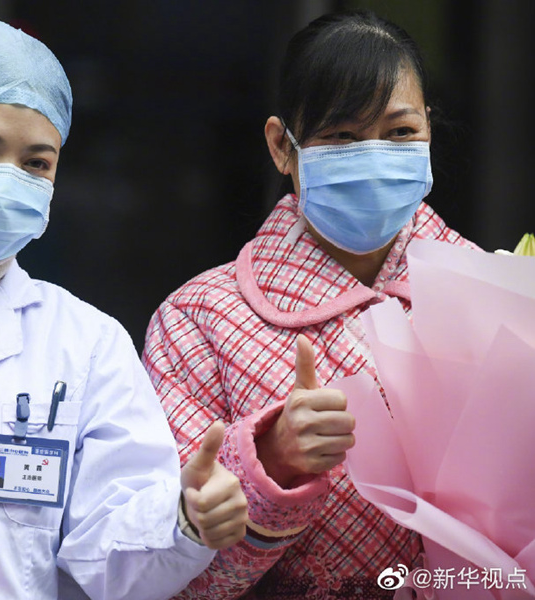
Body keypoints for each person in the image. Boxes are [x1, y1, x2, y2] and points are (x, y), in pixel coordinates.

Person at [0, 16, 248, 600]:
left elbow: (109, 557)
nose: (7, 180)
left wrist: (182, 521)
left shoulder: (86, 344)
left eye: (36, 164)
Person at [142, 10, 479, 599]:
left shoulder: (492, 295)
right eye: (342, 136)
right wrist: (272, 462)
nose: (374, 156)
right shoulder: (197, 320)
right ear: (282, 145)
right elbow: (168, 575)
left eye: (400, 132)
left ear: (428, 126)